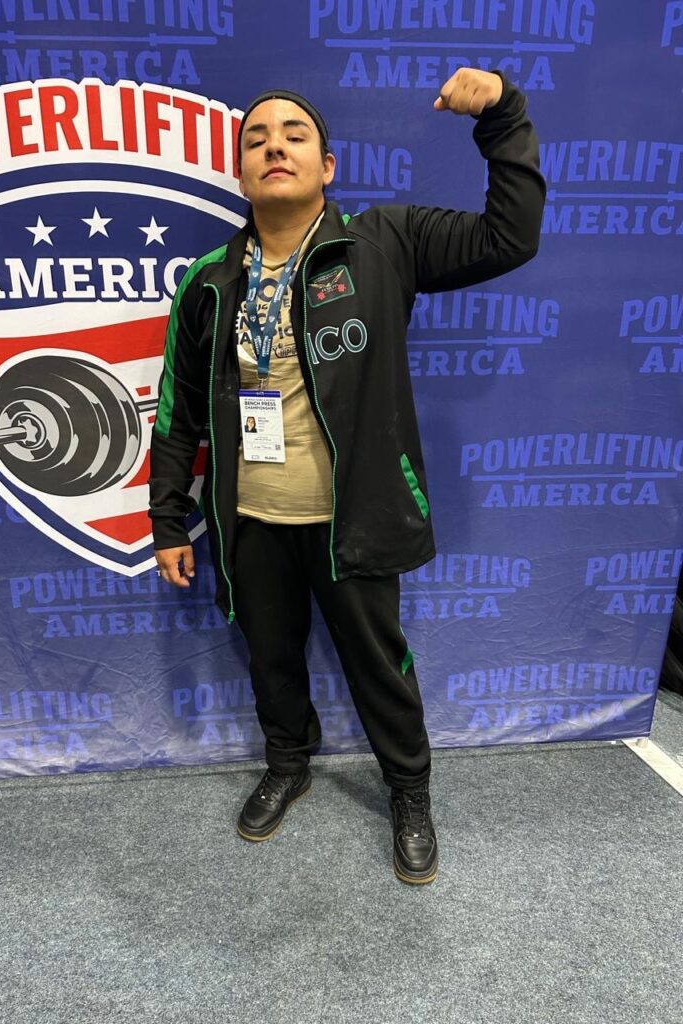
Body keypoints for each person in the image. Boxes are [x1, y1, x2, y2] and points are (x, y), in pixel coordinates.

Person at [149, 69, 545, 884]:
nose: (274, 147)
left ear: (327, 166)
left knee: (378, 666)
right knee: (270, 658)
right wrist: (166, 519)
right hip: (252, 519)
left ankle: (410, 791)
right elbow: (178, 411)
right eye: (256, 140)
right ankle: (288, 763)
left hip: (353, 519)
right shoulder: (209, 282)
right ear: (240, 172)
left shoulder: (383, 240)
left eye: (293, 135)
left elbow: (511, 237)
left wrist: (503, 116)